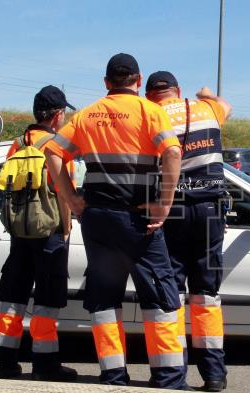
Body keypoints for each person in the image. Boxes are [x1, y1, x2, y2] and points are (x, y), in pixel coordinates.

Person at [46, 54, 190, 390]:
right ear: (138, 81)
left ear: (107, 82)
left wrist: (72, 199)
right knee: (160, 295)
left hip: (97, 217)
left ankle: (113, 374)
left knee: (105, 297)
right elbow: (171, 153)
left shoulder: (86, 114)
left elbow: (53, 152)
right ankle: (168, 377)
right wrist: (165, 204)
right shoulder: (149, 111)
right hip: (138, 218)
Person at [146, 71, 232, 392]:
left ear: (148, 93)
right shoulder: (207, 109)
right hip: (211, 212)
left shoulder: (151, 114)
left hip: (174, 211)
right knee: (207, 293)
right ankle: (214, 375)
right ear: (177, 90)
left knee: (172, 292)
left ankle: (172, 372)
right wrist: (206, 94)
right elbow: (226, 104)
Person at [0, 85, 78, 382]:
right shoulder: (57, 146)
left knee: (13, 298)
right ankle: (45, 365)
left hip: (20, 233)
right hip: (49, 233)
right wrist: (67, 229)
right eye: (63, 112)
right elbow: (64, 191)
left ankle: (5, 362)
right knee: (46, 300)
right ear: (56, 115)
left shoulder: (17, 144)